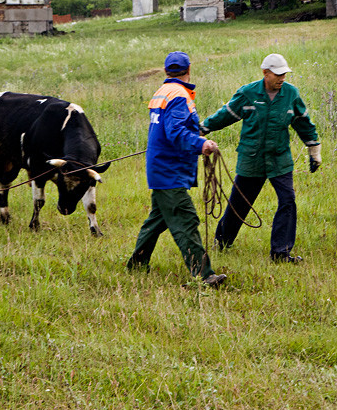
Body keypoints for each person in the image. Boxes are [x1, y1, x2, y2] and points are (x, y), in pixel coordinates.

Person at [201, 53, 321, 263]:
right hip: (252, 159)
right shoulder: (248, 94)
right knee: (240, 203)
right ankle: (222, 242)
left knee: (288, 200)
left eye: (284, 74)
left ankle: (280, 252)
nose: (282, 78)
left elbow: (303, 122)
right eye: (277, 74)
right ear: (265, 73)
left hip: (279, 159)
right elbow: (225, 115)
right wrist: (201, 130)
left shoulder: (291, 94)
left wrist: (314, 150)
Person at [127, 51, 227, 288]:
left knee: (158, 219)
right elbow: (176, 133)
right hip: (169, 171)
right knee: (185, 219)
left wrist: (194, 136)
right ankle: (203, 275)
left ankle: (137, 265)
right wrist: (201, 143)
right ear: (189, 69)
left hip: (161, 167)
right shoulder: (180, 96)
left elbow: (168, 129)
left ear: (165, 71)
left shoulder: (162, 92)